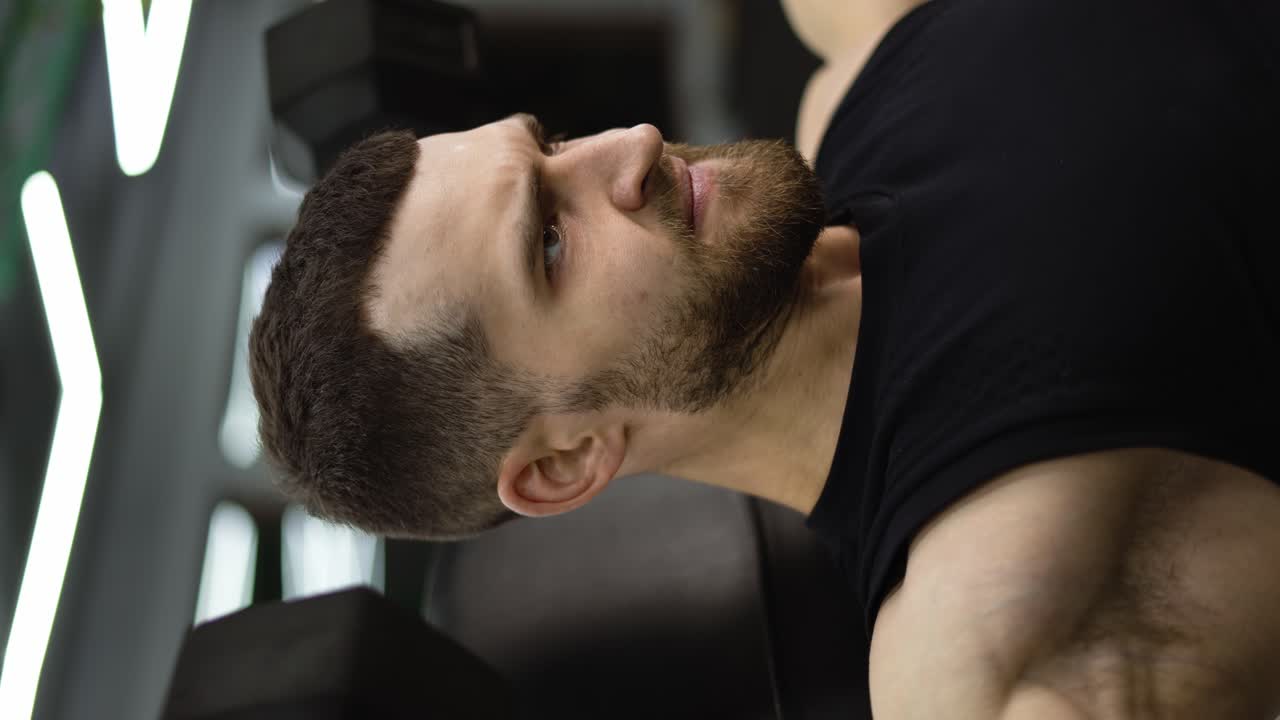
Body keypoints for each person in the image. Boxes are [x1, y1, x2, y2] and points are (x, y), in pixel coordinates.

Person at [248, 0, 1280, 716]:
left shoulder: (865, 74)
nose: (630, 144)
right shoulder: (1001, 625)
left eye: (551, 145)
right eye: (551, 242)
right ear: (564, 463)